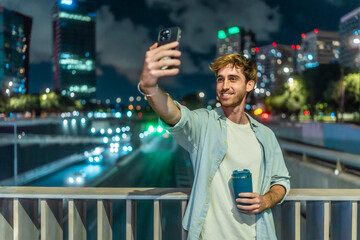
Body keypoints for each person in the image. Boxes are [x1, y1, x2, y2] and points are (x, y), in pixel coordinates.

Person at [138, 41, 290, 240]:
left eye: (233, 79)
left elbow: (281, 181)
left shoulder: (265, 135)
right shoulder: (204, 122)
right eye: (220, 79)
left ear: (249, 85)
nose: (225, 86)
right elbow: (175, 115)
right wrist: (149, 86)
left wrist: (267, 200)